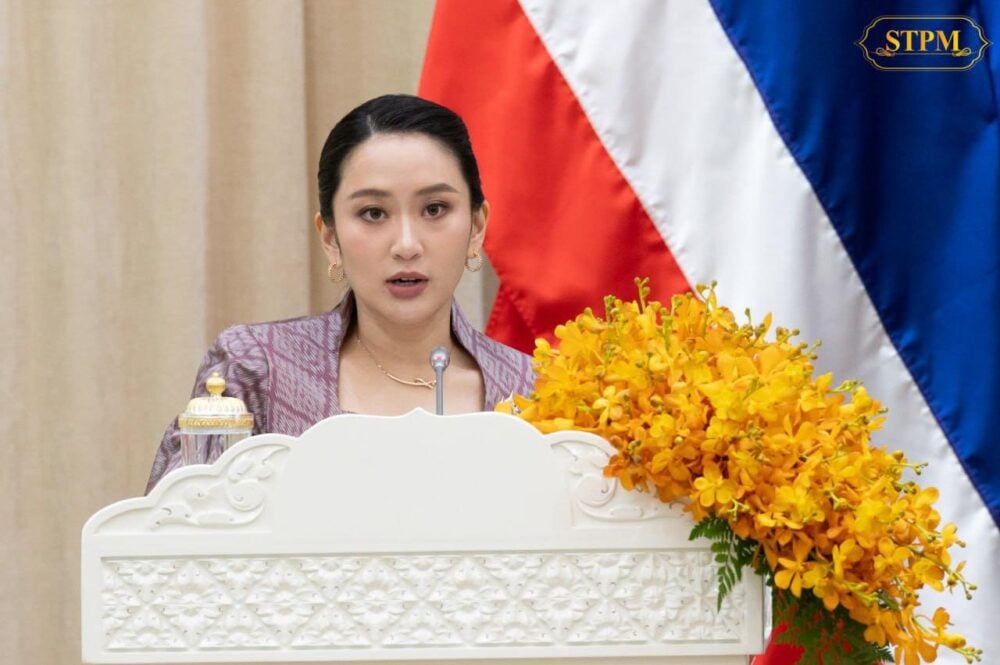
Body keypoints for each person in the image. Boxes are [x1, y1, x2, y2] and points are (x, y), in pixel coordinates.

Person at [145, 94, 535, 494]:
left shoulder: (531, 389)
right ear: (330, 238)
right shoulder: (258, 368)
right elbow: (174, 541)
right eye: (373, 213)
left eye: (434, 209)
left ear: (477, 227)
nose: (406, 245)